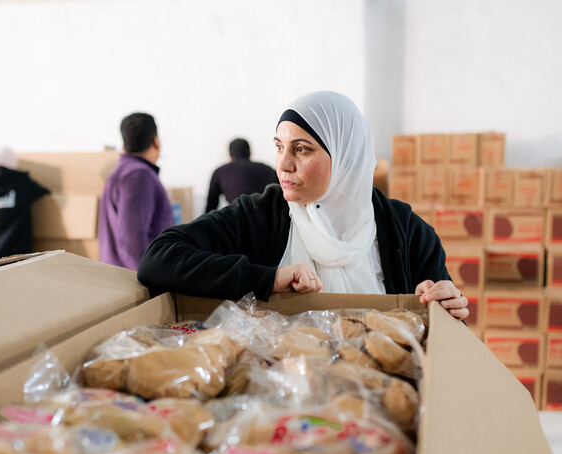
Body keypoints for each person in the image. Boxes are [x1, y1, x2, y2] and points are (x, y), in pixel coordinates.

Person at [138, 91, 468, 320]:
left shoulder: (407, 232)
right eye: (279, 146)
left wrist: (446, 306)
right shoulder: (262, 215)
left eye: (302, 149)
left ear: (344, 158)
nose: (283, 164)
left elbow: (448, 338)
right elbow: (159, 258)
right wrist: (268, 278)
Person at [99, 112, 174, 270]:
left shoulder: (121, 171)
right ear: (156, 141)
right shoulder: (139, 175)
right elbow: (132, 240)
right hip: (137, 283)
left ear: (124, 145)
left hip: (121, 277)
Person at [205, 138, 279, 212]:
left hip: (237, 219)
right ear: (250, 153)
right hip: (267, 219)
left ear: (230, 155)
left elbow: (210, 207)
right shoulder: (268, 170)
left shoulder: (219, 172)